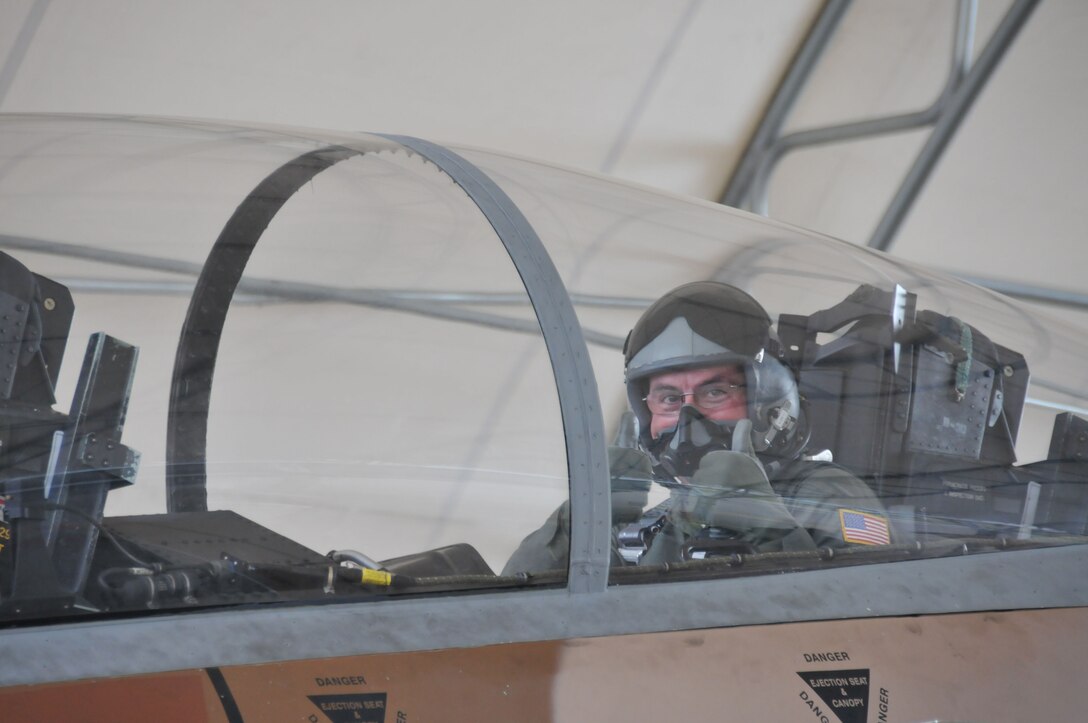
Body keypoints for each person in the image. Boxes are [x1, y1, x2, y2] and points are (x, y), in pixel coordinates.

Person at [622, 281, 893, 563]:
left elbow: (874, 598)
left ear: (769, 405)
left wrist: (769, 527)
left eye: (715, 393)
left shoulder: (827, 496)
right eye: (669, 399)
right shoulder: (665, 518)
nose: (688, 421)